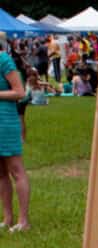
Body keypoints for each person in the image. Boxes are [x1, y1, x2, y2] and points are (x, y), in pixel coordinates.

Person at [0, 34, 28, 233]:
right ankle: (7, 218)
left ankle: (23, 221)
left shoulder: (4, 59)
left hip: (6, 121)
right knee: (0, 174)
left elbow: (20, 92)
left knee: (16, 170)